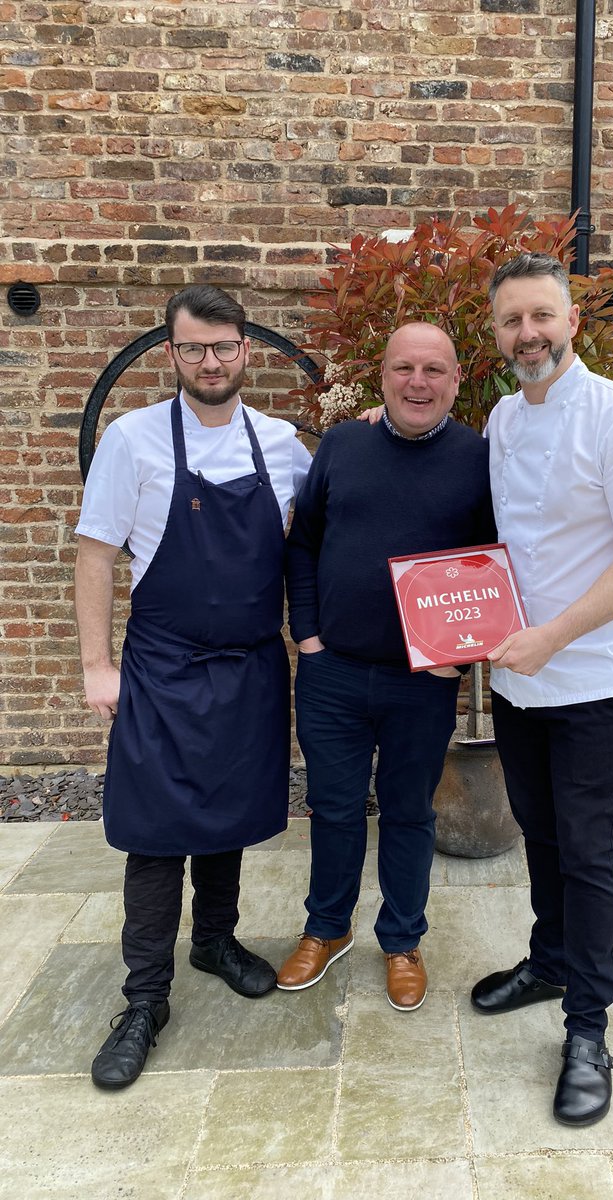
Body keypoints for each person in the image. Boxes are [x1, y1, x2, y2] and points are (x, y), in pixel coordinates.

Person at [74, 284, 311, 1089]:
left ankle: (215, 939)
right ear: (170, 355)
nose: (211, 362)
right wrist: (96, 666)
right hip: (163, 667)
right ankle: (143, 1000)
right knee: (153, 831)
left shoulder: (279, 444)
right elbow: (96, 556)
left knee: (227, 816)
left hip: (248, 666)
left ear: (246, 350)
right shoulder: (133, 440)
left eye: (224, 346)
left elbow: (329, 534)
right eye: (193, 349)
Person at [469, 253, 613, 1126]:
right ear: (496, 334)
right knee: (543, 838)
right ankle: (549, 958)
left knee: (590, 854)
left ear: (572, 322)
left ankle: (588, 1030)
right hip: (520, 688)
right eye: (513, 320)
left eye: (542, 317)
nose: (530, 334)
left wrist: (551, 636)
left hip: (591, 681)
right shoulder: (502, 421)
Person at [277, 322, 495, 1011]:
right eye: (404, 368)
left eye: (434, 370)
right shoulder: (342, 445)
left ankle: (401, 940)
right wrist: (306, 634)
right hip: (331, 672)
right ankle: (327, 929)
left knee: (408, 813)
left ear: (457, 382)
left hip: (419, 683)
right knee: (334, 807)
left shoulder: (479, 459)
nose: (418, 382)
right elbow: (303, 543)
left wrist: (457, 660)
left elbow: (493, 569)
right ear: (383, 377)